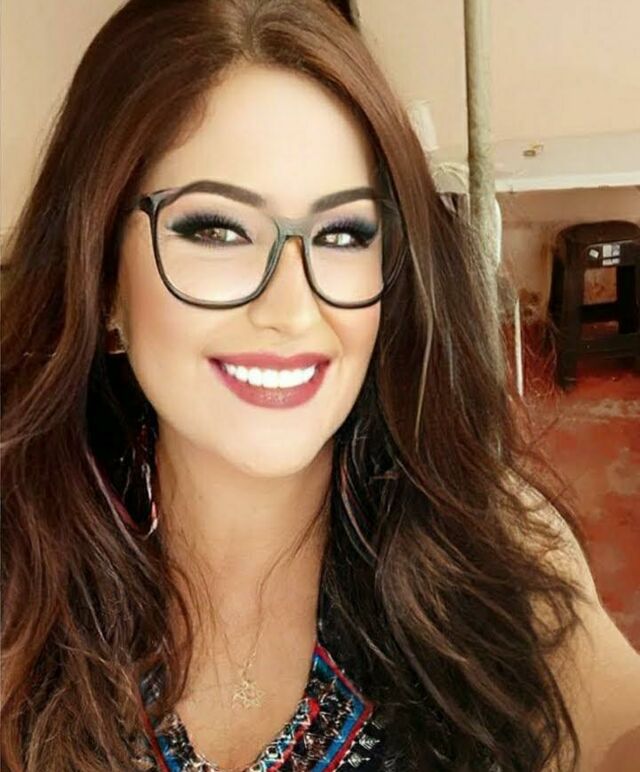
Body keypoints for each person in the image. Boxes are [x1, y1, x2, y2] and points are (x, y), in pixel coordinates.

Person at [1, 1, 639, 770]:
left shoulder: (483, 539)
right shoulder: (27, 545)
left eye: (343, 234)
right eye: (217, 230)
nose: (294, 311)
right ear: (101, 275)